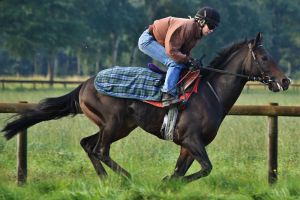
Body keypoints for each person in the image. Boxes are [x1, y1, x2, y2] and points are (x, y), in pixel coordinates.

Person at [138, 6, 220, 106]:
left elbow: (183, 53)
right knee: (174, 63)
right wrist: (187, 60)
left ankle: (177, 90)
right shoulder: (187, 27)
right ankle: (167, 94)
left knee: (183, 65)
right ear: (201, 22)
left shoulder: (196, 33)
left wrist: (191, 61)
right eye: (211, 26)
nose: (212, 30)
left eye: (214, 28)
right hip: (148, 41)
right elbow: (171, 51)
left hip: (158, 42)